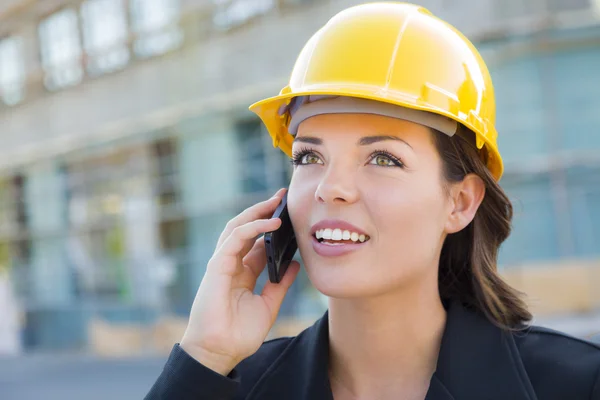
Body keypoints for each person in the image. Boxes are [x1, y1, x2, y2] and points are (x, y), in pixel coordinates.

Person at [146, 3, 600, 399]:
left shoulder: (576, 384)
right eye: (309, 156)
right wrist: (204, 356)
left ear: (460, 202)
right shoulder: (227, 385)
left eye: (382, 158)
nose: (330, 187)